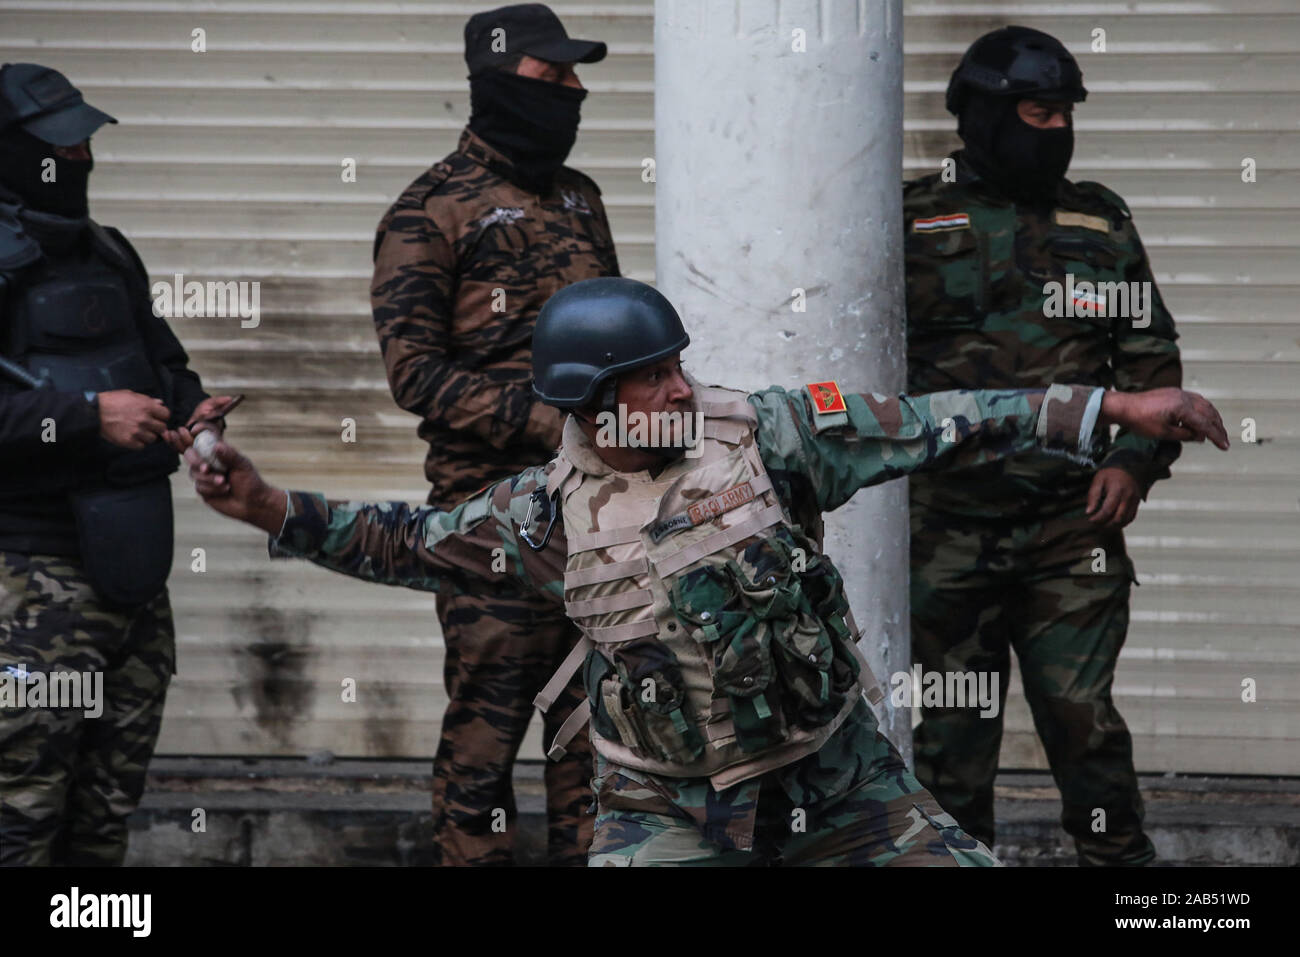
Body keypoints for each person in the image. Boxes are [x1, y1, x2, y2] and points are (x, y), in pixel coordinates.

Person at [174, 277, 1227, 866]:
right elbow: (404, 542)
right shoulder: (539, 517)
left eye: (679, 360)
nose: (684, 382)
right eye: (654, 377)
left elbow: (933, 426)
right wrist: (267, 507)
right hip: (667, 808)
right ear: (595, 403)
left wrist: (1109, 410)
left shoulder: (765, 437)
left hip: (839, 774)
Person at [903, 26, 1185, 866]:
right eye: (1038, 112)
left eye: (1065, 115)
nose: (1055, 130)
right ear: (985, 116)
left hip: (1074, 529)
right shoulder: (909, 218)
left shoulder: (1101, 217)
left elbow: (1151, 360)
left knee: (1084, 723)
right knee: (951, 740)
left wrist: (1134, 464)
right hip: (942, 529)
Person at [369, 3, 618, 865]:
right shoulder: (428, 213)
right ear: (499, 81)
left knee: (596, 740)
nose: (577, 91)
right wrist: (553, 422)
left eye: (577, 75)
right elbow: (417, 377)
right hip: (491, 525)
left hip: (597, 516)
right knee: (486, 740)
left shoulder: (582, 199)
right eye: (556, 76)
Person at [0, 62, 231, 865]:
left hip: (131, 575)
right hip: (27, 581)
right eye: (62, 147)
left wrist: (194, 418)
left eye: (87, 142)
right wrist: (89, 417)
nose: (83, 161)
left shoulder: (107, 252)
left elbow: (162, 363)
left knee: (103, 817)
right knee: (21, 817)